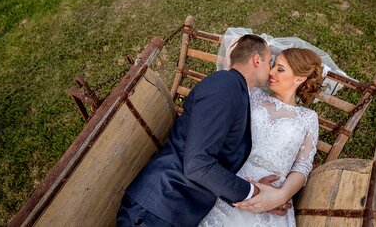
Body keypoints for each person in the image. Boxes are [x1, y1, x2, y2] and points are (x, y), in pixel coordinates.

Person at [116, 34, 275, 226]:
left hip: (170, 210)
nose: (271, 70)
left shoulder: (233, 88)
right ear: (257, 60)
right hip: (159, 205)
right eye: (270, 62)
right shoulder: (225, 85)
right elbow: (198, 164)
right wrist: (256, 194)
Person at [199, 47, 323, 226]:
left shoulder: (308, 118)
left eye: (280, 69)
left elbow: (302, 166)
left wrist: (281, 195)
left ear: (299, 78)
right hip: (236, 178)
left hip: (273, 193)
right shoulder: (254, 95)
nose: (271, 72)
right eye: (272, 65)